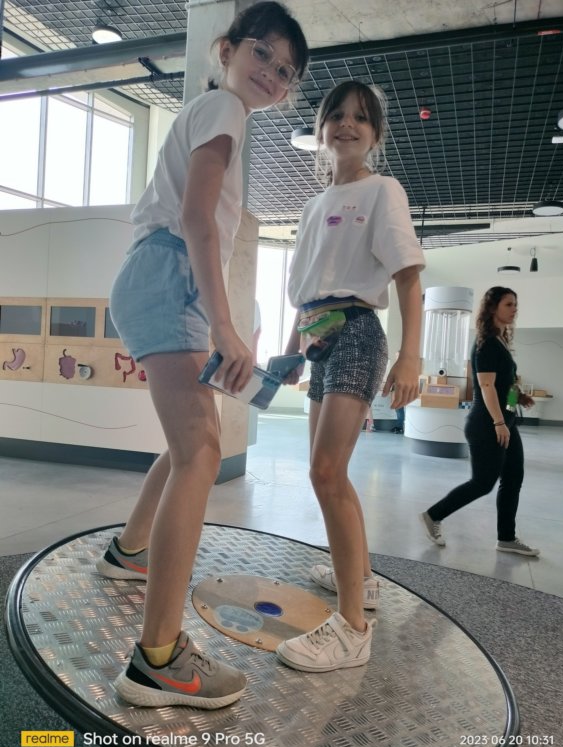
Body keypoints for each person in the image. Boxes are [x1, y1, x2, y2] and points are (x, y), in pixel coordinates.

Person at [96, 2, 308, 708]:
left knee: (194, 440)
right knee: (202, 452)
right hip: (170, 273)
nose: (272, 73)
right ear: (227, 50)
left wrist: (219, 320)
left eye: (286, 70)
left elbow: (195, 220)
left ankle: (129, 551)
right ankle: (157, 660)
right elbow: (195, 218)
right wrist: (225, 325)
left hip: (160, 274)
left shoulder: (216, 113)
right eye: (262, 53)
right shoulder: (223, 110)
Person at [275, 81, 425, 672]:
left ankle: (352, 630)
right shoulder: (313, 206)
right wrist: (289, 352)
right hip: (318, 341)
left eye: (360, 118)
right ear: (321, 130)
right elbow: (307, 293)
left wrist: (411, 357)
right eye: (336, 115)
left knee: (325, 472)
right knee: (328, 474)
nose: (346, 125)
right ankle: (361, 579)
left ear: (375, 133)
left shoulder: (383, 189)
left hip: (360, 332)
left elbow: (408, 277)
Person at [420, 286, 539, 556]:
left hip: (505, 421)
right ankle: (433, 515)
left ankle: (506, 538)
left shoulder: (501, 340)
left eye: (515, 304)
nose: (515, 309)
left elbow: (505, 383)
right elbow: (486, 386)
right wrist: (498, 422)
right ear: (493, 308)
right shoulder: (486, 343)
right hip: (487, 425)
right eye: (509, 304)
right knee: (483, 482)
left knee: (513, 477)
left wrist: (518, 397)